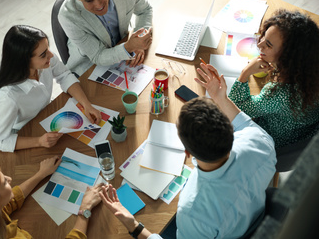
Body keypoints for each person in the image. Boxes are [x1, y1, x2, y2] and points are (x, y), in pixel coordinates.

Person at [99, 63, 276, 238]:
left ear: (187, 153)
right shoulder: (261, 142)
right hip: (256, 218)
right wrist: (221, 98)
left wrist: (133, 225)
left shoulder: (193, 211)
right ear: (230, 129)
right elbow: (243, 124)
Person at [0, 25, 101, 152]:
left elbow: (64, 75)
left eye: (48, 48)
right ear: (23, 61)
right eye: (43, 55)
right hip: (27, 132)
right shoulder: (8, 98)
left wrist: (87, 105)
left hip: (47, 115)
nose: (51, 54)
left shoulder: (46, 60)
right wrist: (39, 141)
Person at [0, 157, 104, 239]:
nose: (9, 178)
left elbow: (12, 199)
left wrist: (41, 174)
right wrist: (84, 210)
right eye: (4, 182)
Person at [228, 9, 319, 149]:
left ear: (288, 56)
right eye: (264, 36)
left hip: (273, 142)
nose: (259, 44)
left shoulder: (281, 94)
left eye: (268, 45)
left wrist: (245, 74)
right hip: (304, 132)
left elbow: (237, 109)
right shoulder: (309, 68)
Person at [59, 0, 153, 76]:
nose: (98, 5)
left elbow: (145, 10)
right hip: (89, 66)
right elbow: (98, 56)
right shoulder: (68, 16)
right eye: (89, 1)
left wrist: (139, 40)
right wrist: (129, 47)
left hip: (122, 50)